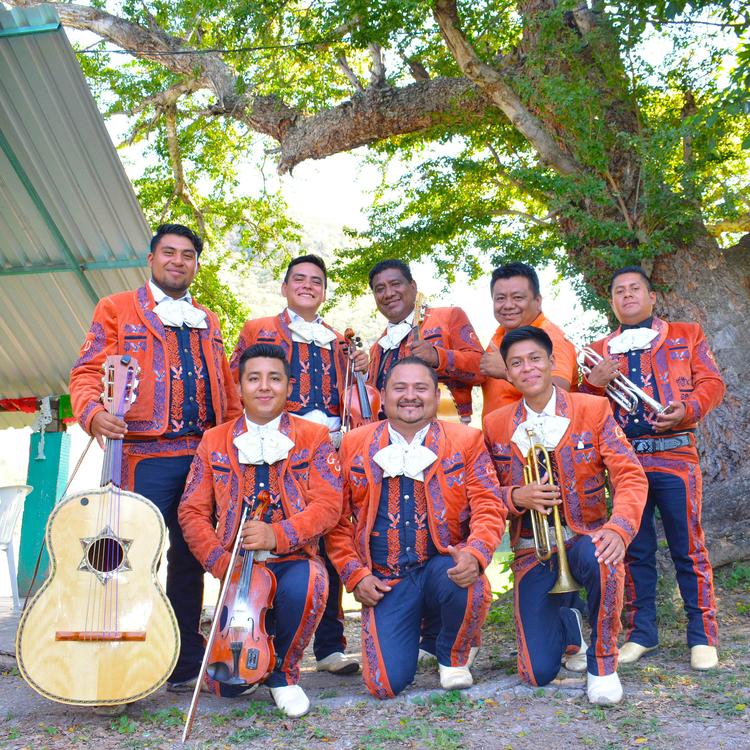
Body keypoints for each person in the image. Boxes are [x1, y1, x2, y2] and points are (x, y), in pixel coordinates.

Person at [69, 223, 241, 698]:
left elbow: (225, 390)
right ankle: (123, 661)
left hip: (203, 458)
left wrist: (232, 442)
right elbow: (86, 371)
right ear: (151, 258)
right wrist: (93, 413)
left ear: (196, 265)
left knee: (189, 560)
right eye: (169, 252)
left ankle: (184, 661)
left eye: (188, 255)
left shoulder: (209, 319)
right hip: (141, 457)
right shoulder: (116, 309)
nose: (178, 261)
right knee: (129, 557)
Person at [484, 326, 648, 705]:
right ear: (507, 374)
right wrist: (515, 495)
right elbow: (483, 491)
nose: (528, 368)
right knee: (536, 673)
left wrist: (620, 528)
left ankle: (603, 664)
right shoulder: (494, 424)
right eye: (517, 363)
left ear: (552, 362)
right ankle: (569, 621)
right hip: (533, 548)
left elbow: (629, 475)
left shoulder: (593, 409)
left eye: (535, 358)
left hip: (585, 535)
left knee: (604, 556)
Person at [178, 344, 343, 718]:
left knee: (311, 582)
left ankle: (283, 674)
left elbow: (328, 504)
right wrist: (220, 562)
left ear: (289, 387)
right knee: (227, 685)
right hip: (236, 568)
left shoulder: (314, 436)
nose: (264, 387)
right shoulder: (213, 440)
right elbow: (191, 509)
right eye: (254, 379)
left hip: (292, 559)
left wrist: (277, 535)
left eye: (274, 379)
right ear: (239, 388)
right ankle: (256, 663)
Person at [326, 356, 506, 698]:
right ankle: (419, 629)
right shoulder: (354, 443)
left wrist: (477, 552)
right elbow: (337, 520)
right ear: (383, 394)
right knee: (383, 686)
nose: (411, 396)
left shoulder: (466, 439)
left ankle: (453, 655)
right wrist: (355, 574)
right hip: (387, 579)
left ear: (436, 397)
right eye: (400, 388)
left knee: (466, 576)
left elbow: (489, 504)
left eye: (421, 388)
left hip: (443, 568)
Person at [580, 266, 725, 670]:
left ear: (652, 296)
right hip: (625, 463)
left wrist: (688, 409)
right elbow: (582, 409)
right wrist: (594, 384)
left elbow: (712, 382)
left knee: (688, 547)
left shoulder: (686, 333)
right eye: (618, 292)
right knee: (635, 550)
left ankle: (702, 636)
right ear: (611, 302)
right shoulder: (599, 349)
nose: (627, 296)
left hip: (676, 454)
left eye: (634, 289)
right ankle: (641, 634)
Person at [229, 254, 365, 675]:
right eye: (299, 279)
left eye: (317, 281)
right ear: (285, 288)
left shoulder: (337, 339)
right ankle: (262, 643)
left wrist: (361, 370)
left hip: (327, 447)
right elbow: (239, 383)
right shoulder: (258, 329)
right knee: (274, 540)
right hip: (273, 445)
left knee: (329, 534)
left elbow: (355, 399)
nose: (308, 286)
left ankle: (329, 647)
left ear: (324, 292)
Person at [366, 259, 484, 423]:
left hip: (447, 428)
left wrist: (438, 357)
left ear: (413, 286)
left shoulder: (449, 316)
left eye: (395, 284)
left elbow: (482, 369)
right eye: (380, 289)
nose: (388, 293)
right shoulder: (376, 348)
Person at [481, 262, 578, 418]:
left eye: (518, 297)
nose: (508, 305)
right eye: (500, 298)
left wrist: (507, 372)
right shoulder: (499, 336)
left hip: (541, 439)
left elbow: (559, 392)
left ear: (538, 301)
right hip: (499, 438)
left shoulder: (549, 337)